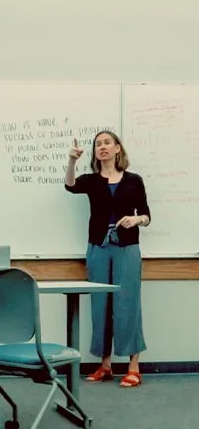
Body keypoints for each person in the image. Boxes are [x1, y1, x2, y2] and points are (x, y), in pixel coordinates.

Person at [65, 131, 150, 388]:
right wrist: (71, 161)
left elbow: (146, 214)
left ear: (117, 149)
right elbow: (70, 185)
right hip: (98, 247)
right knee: (100, 304)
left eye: (107, 143)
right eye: (98, 144)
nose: (102, 147)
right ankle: (105, 365)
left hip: (127, 247)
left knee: (128, 303)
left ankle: (134, 367)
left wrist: (136, 219)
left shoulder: (134, 180)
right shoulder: (91, 181)